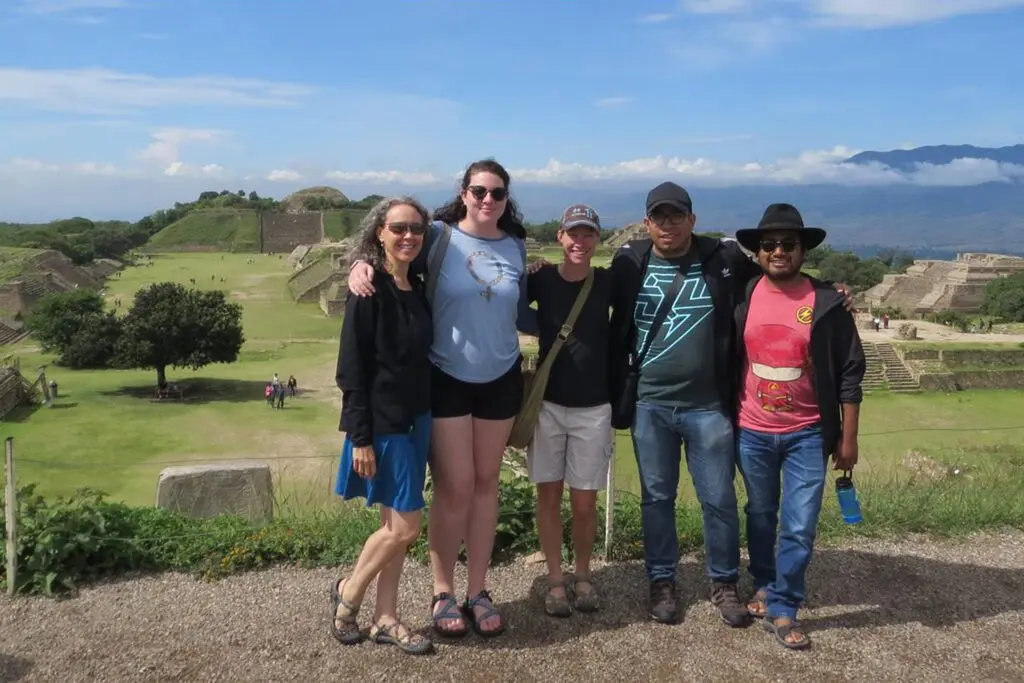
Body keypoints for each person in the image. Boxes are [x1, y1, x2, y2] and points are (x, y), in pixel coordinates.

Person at [346, 159, 536, 638]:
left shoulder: (516, 246)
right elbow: (393, 246)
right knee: (455, 486)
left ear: (506, 198)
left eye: (496, 193)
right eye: (478, 191)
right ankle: (442, 590)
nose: (487, 200)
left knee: (487, 483)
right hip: (447, 375)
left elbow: (521, 306)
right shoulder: (438, 235)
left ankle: (478, 590)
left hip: (501, 375)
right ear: (464, 192)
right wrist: (358, 265)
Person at [733, 203, 865, 650]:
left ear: (803, 250)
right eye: (769, 245)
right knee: (760, 513)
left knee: (800, 522)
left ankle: (785, 605)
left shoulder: (826, 302)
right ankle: (766, 582)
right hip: (753, 428)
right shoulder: (746, 294)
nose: (778, 252)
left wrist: (848, 436)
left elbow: (850, 371)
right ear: (757, 252)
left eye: (788, 244)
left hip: (808, 431)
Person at [330, 196, 435, 656]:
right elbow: (350, 369)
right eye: (398, 228)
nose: (408, 236)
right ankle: (349, 593)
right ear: (379, 232)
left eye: (416, 228)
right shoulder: (367, 289)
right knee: (406, 528)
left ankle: (386, 617)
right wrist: (360, 436)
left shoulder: (419, 284)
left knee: (396, 523)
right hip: (386, 423)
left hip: (418, 418)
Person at [525, 204, 614, 617]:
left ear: (597, 239)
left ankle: (583, 574)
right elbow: (504, 303)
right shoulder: (540, 278)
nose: (580, 242)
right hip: (548, 404)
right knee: (548, 495)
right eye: (572, 234)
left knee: (584, 502)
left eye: (588, 234)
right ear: (560, 237)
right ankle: (556, 579)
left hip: (593, 406)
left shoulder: (608, 282)